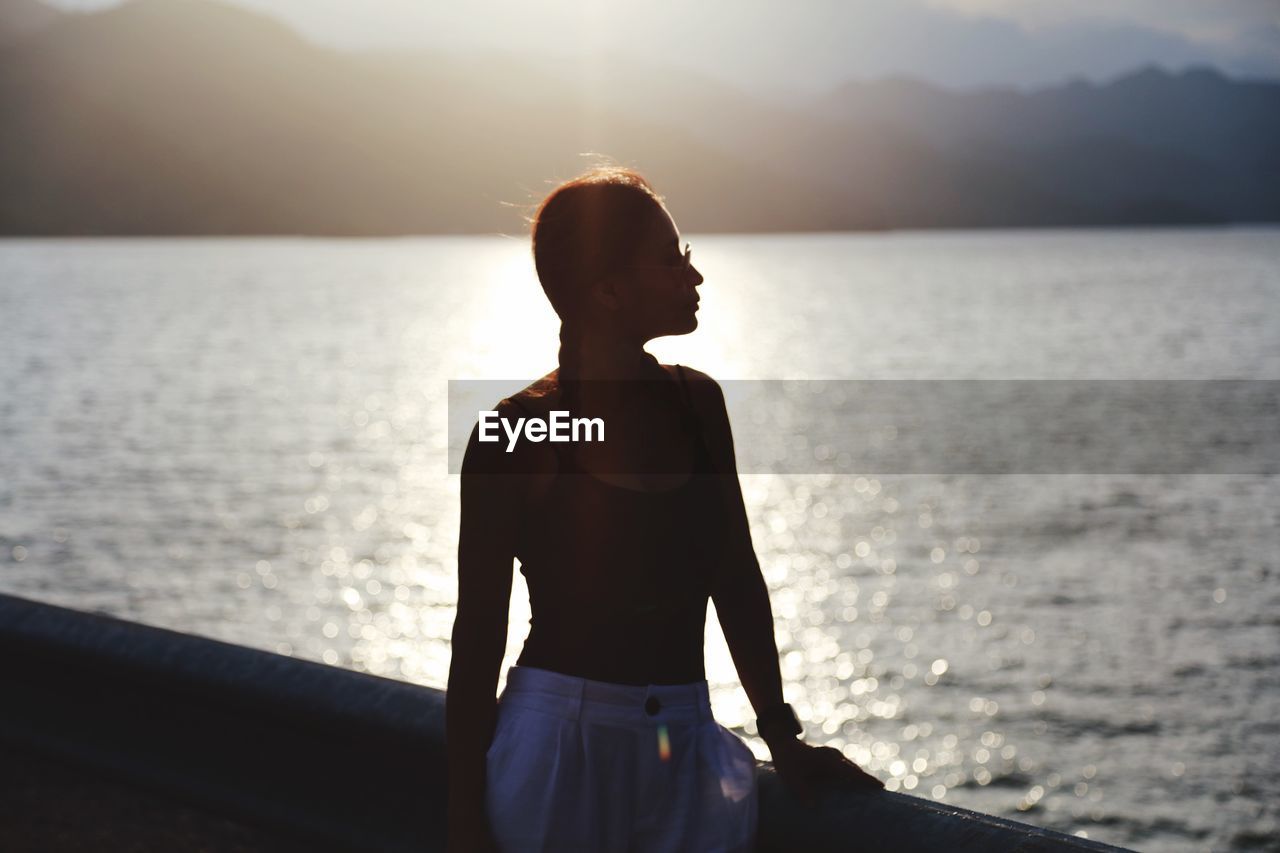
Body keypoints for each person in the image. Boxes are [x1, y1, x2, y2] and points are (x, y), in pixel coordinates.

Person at [446, 165, 881, 853]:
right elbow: (478, 633)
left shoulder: (698, 406)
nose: (694, 276)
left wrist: (782, 735)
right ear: (610, 292)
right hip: (558, 745)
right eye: (672, 259)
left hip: (680, 740)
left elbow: (736, 577)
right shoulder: (518, 431)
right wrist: (465, 818)